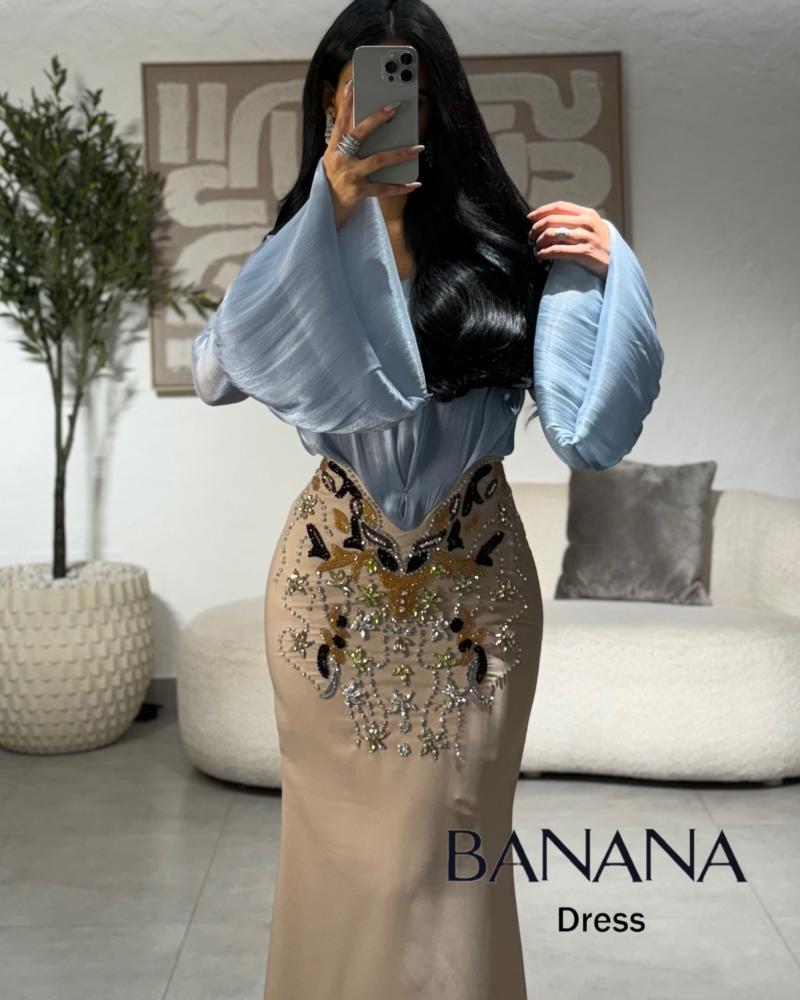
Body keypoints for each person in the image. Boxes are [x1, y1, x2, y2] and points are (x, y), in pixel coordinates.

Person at [191, 3, 663, 997]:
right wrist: (326, 216)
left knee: (451, 848)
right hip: (331, 589)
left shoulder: (501, 250)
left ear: (438, 107)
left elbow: (589, 431)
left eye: (399, 97)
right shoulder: (298, 249)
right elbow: (216, 372)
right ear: (326, 110)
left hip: (473, 596)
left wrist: (608, 270)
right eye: (349, 99)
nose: (374, 118)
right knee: (340, 859)